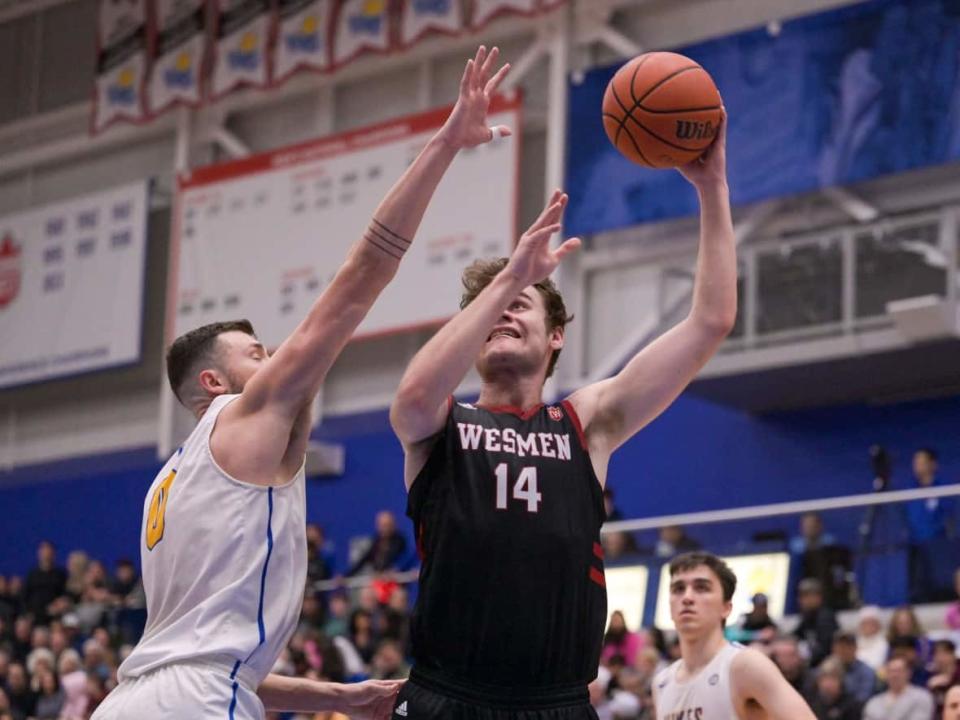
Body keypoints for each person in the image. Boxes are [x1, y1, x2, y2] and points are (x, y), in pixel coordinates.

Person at [92, 44, 511, 720]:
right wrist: (446, 143)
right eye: (257, 352)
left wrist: (338, 697)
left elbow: (200, 655)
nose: (277, 357)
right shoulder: (245, 414)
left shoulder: (168, 484)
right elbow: (362, 275)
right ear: (215, 382)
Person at [390, 85, 737, 717]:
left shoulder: (587, 422)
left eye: (519, 304)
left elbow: (710, 321)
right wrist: (509, 281)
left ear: (555, 336)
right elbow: (413, 392)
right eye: (490, 309)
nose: (501, 311)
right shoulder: (439, 424)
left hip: (556, 701)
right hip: (447, 696)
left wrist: (711, 188)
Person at [652, 552, 815, 719]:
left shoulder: (745, 665)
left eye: (701, 587)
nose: (687, 597)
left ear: (726, 608)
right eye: (678, 589)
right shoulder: (662, 683)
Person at [905, 447, 957, 602]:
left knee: (939, 583)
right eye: (915, 463)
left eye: (922, 462)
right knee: (917, 584)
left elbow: (949, 517)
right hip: (915, 545)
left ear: (932, 464)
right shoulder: (909, 490)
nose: (917, 466)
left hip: (938, 546)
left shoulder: (944, 489)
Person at [862, 656, 934, 720]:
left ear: (909, 673)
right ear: (886, 674)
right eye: (891, 671)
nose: (895, 675)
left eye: (899, 671)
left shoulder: (922, 697)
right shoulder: (874, 702)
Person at [793, 578, 839, 667]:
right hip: (813, 663)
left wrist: (803, 658)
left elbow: (825, 649)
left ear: (818, 598)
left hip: (826, 665)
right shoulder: (808, 616)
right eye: (802, 596)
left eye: (807, 596)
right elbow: (795, 636)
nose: (802, 601)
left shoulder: (825, 617)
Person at [346, 511, 408, 577]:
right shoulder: (376, 541)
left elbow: (402, 560)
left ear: (393, 525)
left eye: (387, 525)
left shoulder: (400, 541)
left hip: (394, 581)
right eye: (382, 525)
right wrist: (345, 576)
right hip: (377, 581)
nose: (385, 529)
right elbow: (363, 560)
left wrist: (392, 569)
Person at [830, 630, 876, 704]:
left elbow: (863, 698)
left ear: (855, 648)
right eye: (840, 646)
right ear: (834, 649)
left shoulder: (866, 671)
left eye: (848, 646)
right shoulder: (829, 668)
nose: (843, 650)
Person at [928, 640, 960, 717]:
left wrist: (950, 681)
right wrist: (929, 687)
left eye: (944, 653)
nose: (940, 658)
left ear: (952, 654)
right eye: (937, 654)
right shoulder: (931, 675)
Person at [855, 605, 888, 671]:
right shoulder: (855, 642)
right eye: (865, 623)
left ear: (878, 625)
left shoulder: (884, 643)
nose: (868, 627)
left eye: (871, 623)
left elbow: (877, 663)